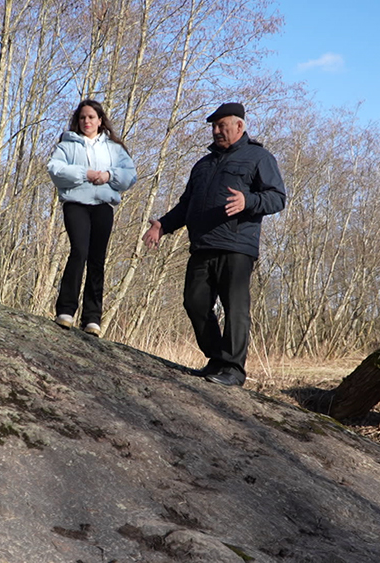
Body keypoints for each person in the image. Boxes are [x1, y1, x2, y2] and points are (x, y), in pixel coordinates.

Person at [143, 102, 285, 386]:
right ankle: (218, 358)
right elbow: (187, 206)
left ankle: (233, 369)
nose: (217, 131)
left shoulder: (259, 157)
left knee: (235, 308)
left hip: (236, 245)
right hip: (202, 245)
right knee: (194, 302)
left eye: (222, 126)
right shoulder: (202, 165)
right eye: (214, 127)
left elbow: (277, 197)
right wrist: (163, 225)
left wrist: (249, 201)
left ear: (239, 127)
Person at [48, 99, 137, 336]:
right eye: (82, 117)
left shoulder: (114, 148)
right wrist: (83, 173)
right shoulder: (67, 145)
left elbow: (130, 175)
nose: (87, 121)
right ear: (78, 121)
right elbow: (55, 170)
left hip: (102, 206)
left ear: (100, 120)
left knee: (97, 258)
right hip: (76, 203)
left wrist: (109, 176)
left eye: (91, 117)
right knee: (79, 250)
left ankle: (92, 318)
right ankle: (65, 311)